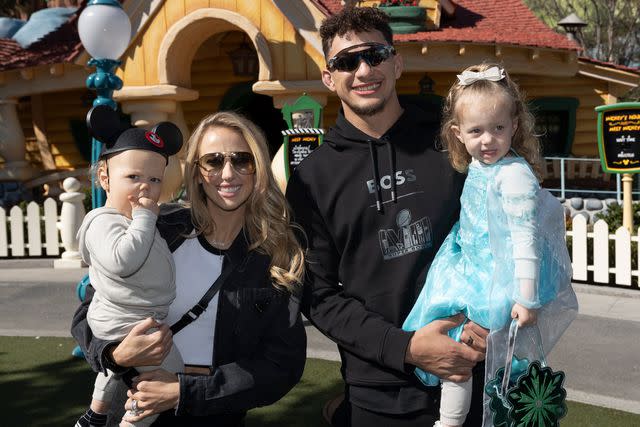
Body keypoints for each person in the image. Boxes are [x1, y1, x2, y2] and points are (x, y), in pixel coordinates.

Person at [285, 7, 488, 427]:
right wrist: (407, 347)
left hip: (477, 369)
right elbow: (318, 295)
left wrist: (493, 318)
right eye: (345, 61)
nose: (362, 70)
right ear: (329, 78)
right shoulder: (311, 178)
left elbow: (500, 232)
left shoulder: (452, 139)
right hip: (379, 393)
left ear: (397, 61)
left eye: (374, 54)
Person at [72, 111, 306, 427]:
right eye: (213, 161)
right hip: (128, 410)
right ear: (196, 172)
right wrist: (115, 353)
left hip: (214, 415)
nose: (228, 173)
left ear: (258, 168)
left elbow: (281, 366)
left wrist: (183, 391)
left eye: (242, 160)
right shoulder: (157, 229)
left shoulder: (277, 255)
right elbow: (88, 310)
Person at [402, 63, 576, 427]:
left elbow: (525, 240)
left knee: (463, 351)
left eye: (498, 128)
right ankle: (452, 418)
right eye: (476, 131)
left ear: (514, 125)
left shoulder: (513, 176)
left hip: (499, 277)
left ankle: (453, 420)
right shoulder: (481, 167)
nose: (488, 140)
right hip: (470, 265)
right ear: (458, 133)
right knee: (455, 348)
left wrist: (526, 297)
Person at [75, 105, 184, 427]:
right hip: (126, 318)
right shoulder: (104, 222)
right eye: (133, 177)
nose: (145, 187)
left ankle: (95, 413)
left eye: (154, 179)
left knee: (127, 366)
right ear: (105, 179)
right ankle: (131, 421)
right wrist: (146, 218)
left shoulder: (136, 221)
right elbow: (123, 261)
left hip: (137, 315)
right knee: (167, 378)